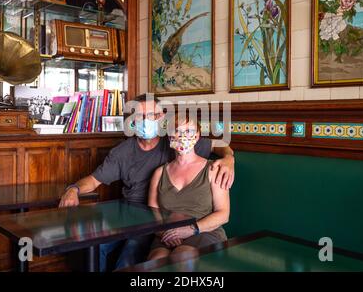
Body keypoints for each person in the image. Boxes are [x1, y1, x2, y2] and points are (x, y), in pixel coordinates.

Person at [59, 93, 235, 272]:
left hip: (156, 223)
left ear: (161, 118)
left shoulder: (177, 140)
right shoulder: (123, 152)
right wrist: (73, 189)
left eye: (151, 115)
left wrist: (229, 158)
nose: (145, 120)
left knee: (129, 258)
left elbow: (218, 145)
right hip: (128, 217)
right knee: (94, 249)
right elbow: (94, 180)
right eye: (140, 116)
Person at [147, 116, 229, 260]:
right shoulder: (159, 173)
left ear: (197, 136)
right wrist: (163, 232)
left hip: (204, 231)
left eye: (189, 131)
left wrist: (190, 230)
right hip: (167, 233)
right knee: (155, 261)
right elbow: (153, 210)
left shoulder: (213, 168)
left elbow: (223, 214)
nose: (182, 136)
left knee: (182, 257)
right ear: (169, 136)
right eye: (177, 131)